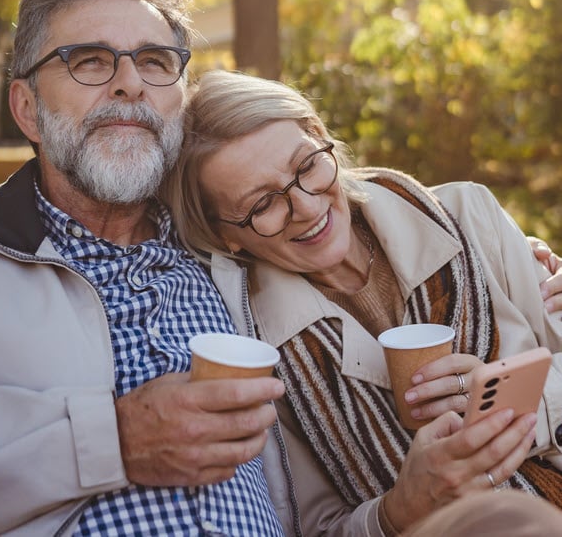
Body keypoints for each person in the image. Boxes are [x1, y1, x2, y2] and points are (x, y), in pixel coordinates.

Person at [0, 0, 292, 536]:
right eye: (89, 61)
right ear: (28, 109)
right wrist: (112, 441)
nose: (130, 84)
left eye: (156, 61)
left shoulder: (242, 253)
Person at [164, 68, 562, 536]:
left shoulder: (470, 217)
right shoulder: (260, 352)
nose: (308, 208)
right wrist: (401, 508)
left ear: (319, 136)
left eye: (306, 166)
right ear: (224, 236)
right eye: (262, 205)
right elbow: (317, 528)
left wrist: (515, 407)